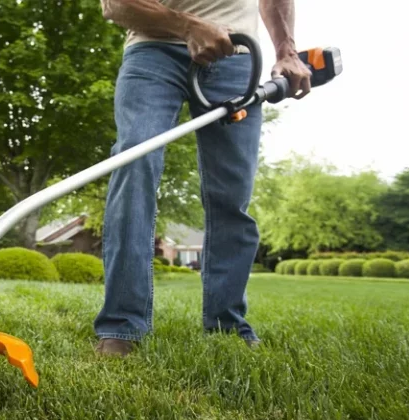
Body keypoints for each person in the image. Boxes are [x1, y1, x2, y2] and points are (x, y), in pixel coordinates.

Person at [94, 0, 312, 356]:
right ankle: (121, 324)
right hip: (152, 52)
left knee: (232, 192)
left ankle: (228, 325)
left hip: (237, 57)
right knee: (133, 168)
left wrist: (287, 50)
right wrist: (188, 26)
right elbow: (115, 6)